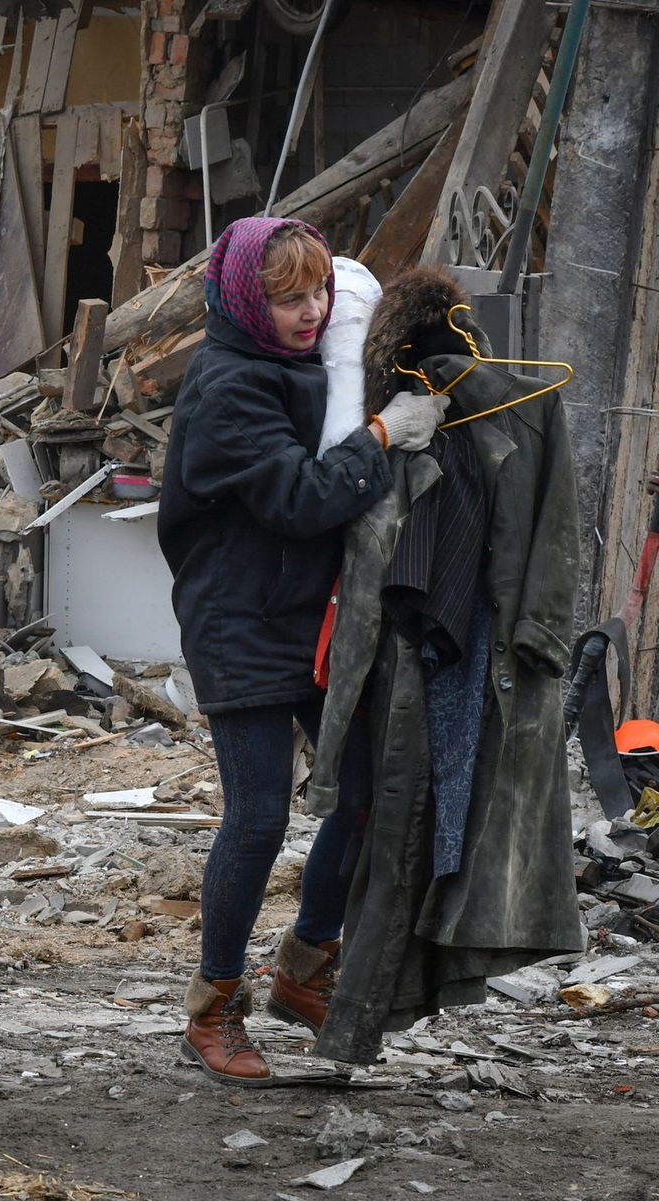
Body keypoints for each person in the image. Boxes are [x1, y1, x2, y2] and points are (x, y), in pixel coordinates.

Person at [157, 216, 449, 1086]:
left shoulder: (302, 368)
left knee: (363, 791)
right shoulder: (226, 387)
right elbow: (298, 496)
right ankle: (213, 1010)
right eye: (288, 298)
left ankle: (305, 964)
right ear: (249, 298)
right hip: (237, 619)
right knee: (258, 816)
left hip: (305, 619)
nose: (312, 310)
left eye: (319, 291)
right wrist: (386, 435)